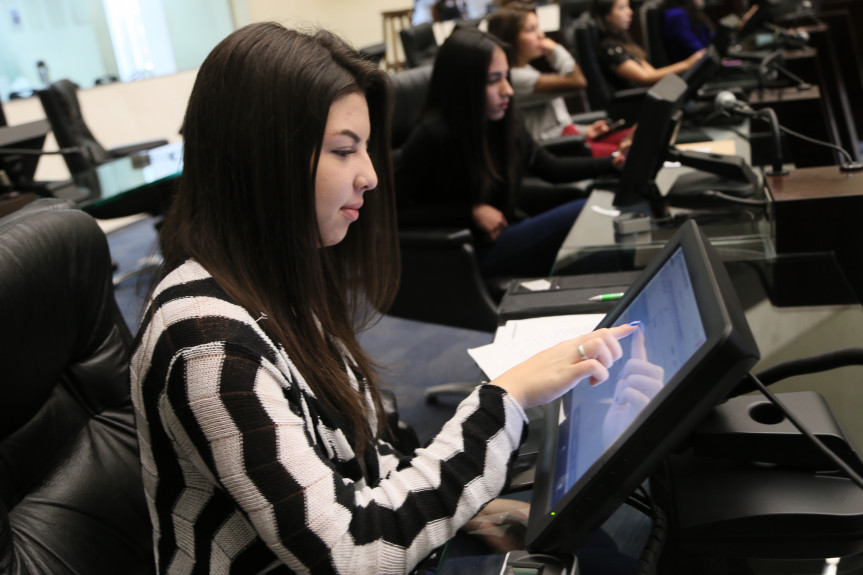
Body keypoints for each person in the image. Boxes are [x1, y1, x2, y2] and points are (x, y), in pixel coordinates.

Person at [129, 21, 639, 575]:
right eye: (344, 151)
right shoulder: (205, 342)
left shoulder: (276, 283)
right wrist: (507, 398)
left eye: (366, 149)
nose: (370, 176)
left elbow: (359, 457)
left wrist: (475, 510)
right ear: (263, 160)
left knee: (583, 542)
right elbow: (349, 553)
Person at [396, 28, 622, 279]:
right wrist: (470, 212)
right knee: (584, 211)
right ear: (463, 85)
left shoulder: (503, 121)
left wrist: (613, 163)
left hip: (509, 232)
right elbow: (394, 214)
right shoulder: (431, 135)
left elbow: (551, 168)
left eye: (506, 77)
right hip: (470, 253)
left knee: (599, 247)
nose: (508, 90)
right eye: (493, 80)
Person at [487, 3, 630, 157]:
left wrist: (585, 130)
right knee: (636, 152)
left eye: (538, 27)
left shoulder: (526, 69)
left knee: (640, 136)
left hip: (571, 139)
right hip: (561, 149)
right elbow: (577, 82)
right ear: (511, 39)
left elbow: (556, 124)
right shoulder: (516, 78)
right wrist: (556, 50)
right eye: (531, 30)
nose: (541, 35)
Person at [591, 0, 706, 90]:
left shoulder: (624, 42)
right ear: (607, 15)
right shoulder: (608, 48)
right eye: (622, 8)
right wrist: (688, 63)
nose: (630, 12)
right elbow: (646, 78)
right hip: (634, 107)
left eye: (628, 6)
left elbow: (651, 73)